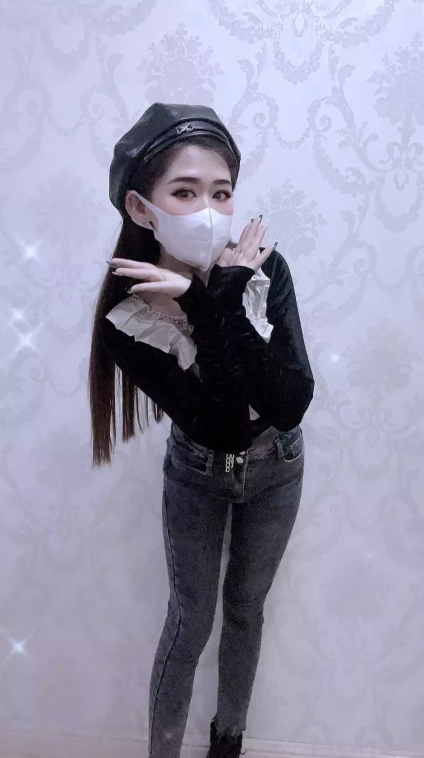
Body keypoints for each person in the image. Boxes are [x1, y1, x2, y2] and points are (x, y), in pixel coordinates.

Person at [88, 102, 314, 758]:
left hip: (278, 466)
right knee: (190, 622)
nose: (210, 212)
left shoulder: (263, 270)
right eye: (185, 193)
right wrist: (200, 302)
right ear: (141, 208)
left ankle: (227, 746)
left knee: (246, 611)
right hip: (199, 471)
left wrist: (223, 299)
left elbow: (289, 403)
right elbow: (224, 428)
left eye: (222, 192)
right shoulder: (129, 318)